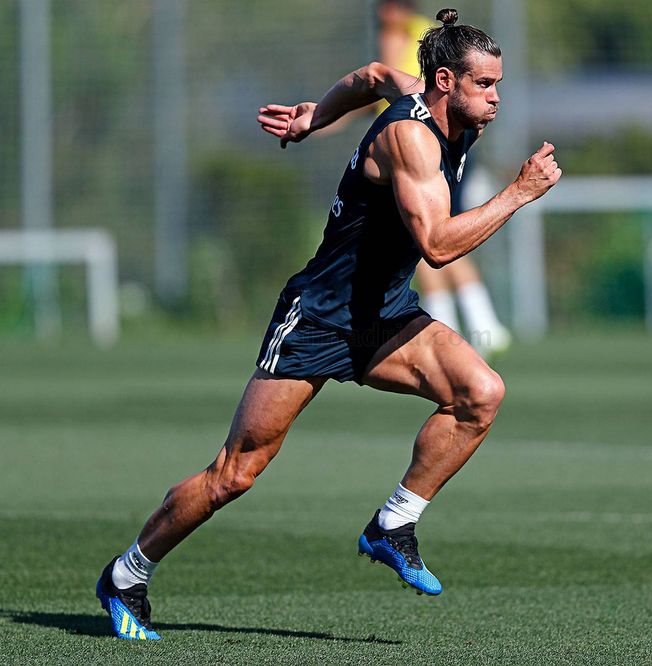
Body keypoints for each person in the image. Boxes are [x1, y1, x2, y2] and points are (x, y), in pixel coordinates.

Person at [95, 8, 561, 640]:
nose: (497, 97)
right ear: (447, 81)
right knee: (235, 473)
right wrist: (519, 193)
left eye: (500, 84)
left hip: (380, 317)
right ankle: (126, 575)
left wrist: (317, 115)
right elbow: (438, 245)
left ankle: (393, 525)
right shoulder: (412, 137)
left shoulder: (432, 101)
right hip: (318, 317)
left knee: (481, 393)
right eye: (487, 85)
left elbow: (372, 75)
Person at [376, 0, 512, 357]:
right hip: (404, 151)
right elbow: (372, 84)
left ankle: (484, 326)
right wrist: (326, 116)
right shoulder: (393, 39)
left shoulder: (425, 38)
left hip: (427, 147)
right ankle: (451, 326)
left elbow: (417, 91)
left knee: (438, 236)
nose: (382, 13)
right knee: (422, 241)